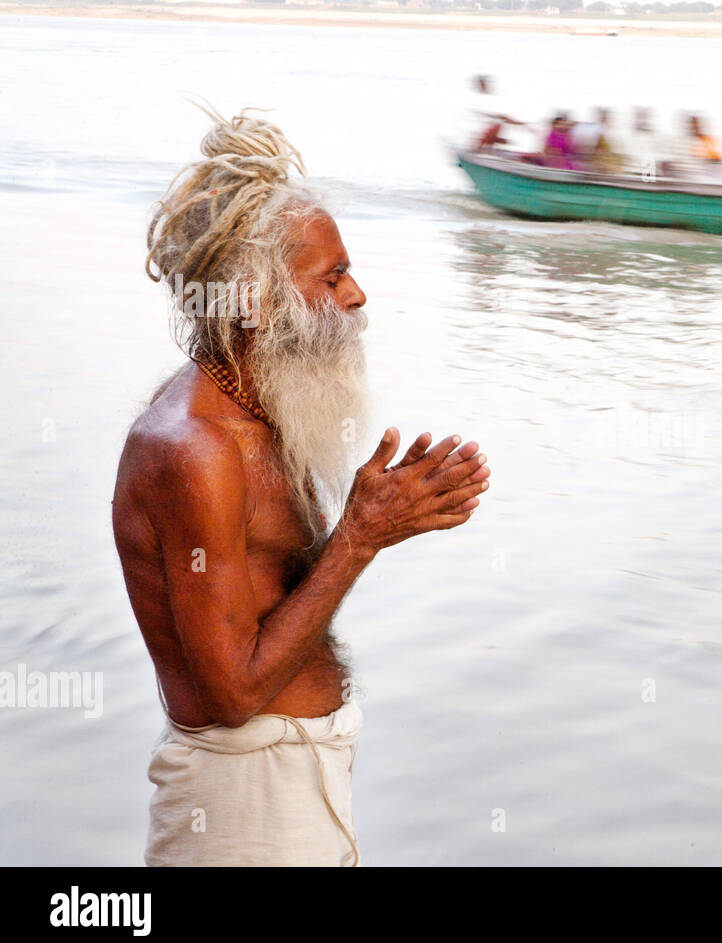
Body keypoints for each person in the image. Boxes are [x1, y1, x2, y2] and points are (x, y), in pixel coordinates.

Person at [115, 105, 492, 866]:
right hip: (241, 801)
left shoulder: (256, 410)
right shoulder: (194, 450)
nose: (358, 296)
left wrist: (385, 520)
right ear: (255, 301)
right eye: (334, 275)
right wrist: (358, 539)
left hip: (288, 783)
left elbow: (267, 590)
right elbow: (230, 694)